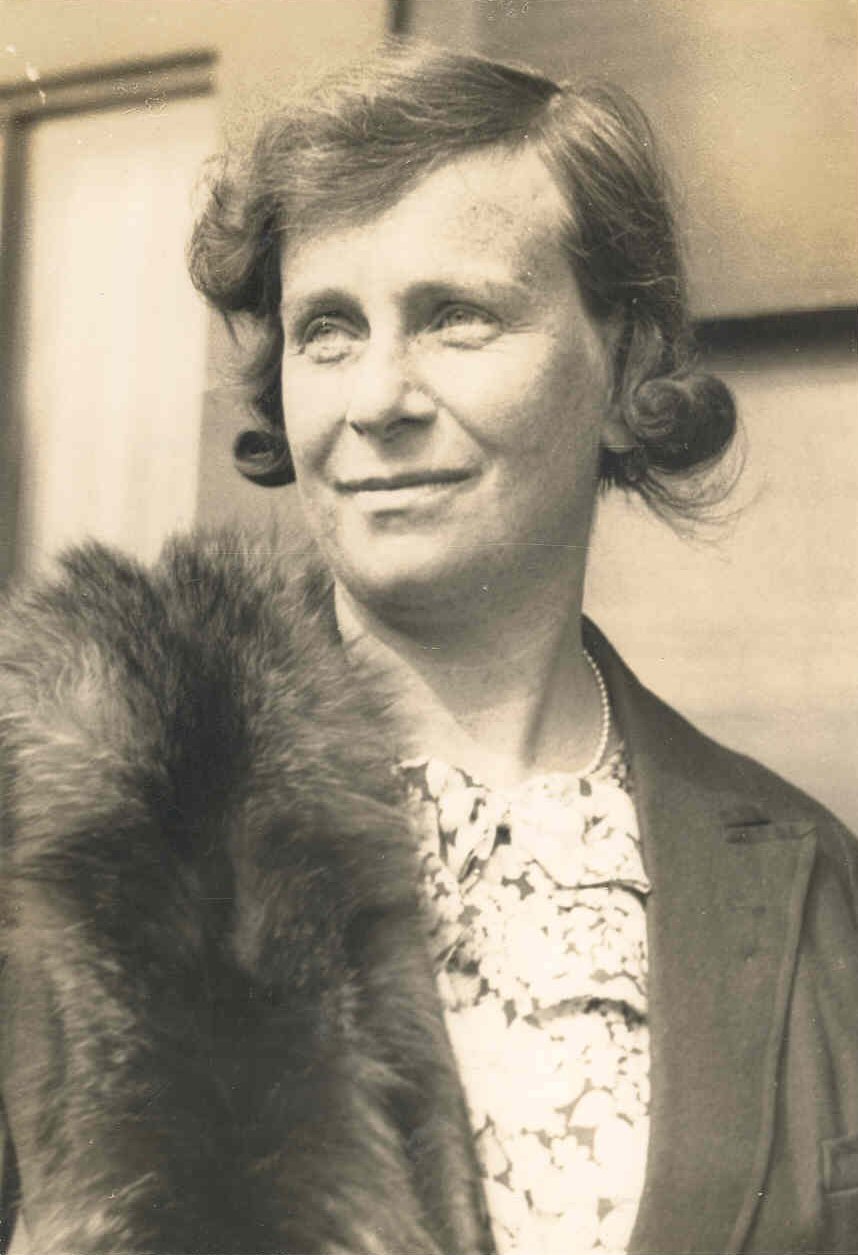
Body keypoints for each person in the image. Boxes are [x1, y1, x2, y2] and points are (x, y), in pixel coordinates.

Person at [1, 41, 856, 1255]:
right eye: (328, 330)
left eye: (456, 316)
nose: (376, 400)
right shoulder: (85, 793)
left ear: (624, 366)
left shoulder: (806, 878)